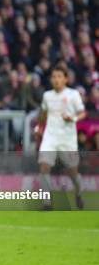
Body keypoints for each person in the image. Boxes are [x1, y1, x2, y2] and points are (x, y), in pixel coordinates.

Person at [35, 66, 86, 210]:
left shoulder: (73, 94)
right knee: (44, 166)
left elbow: (83, 113)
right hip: (50, 137)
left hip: (67, 139)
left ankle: (78, 193)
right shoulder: (47, 95)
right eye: (53, 77)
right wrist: (39, 127)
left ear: (65, 79)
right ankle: (47, 203)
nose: (56, 79)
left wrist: (73, 118)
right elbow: (44, 113)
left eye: (59, 76)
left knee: (72, 172)